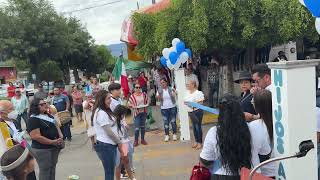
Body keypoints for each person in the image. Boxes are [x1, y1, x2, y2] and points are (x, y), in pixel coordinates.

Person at [200, 95, 252, 179]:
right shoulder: (252, 128)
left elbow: (205, 161)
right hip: (248, 175)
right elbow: (264, 154)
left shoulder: (214, 132)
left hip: (220, 176)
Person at [27, 98, 63, 180]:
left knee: (52, 168)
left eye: (45, 103)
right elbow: (35, 136)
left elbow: (55, 124)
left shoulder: (48, 115)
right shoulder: (33, 119)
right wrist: (52, 142)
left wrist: (60, 135)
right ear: (36, 107)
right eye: (42, 104)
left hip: (54, 146)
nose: (45, 105)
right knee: (45, 170)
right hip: (42, 149)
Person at [91, 90, 119, 180]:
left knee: (109, 171)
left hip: (107, 144)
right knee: (109, 172)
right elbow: (109, 132)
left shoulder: (102, 110)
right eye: (108, 98)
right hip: (106, 145)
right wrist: (119, 142)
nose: (110, 100)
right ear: (102, 100)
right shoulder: (101, 113)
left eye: (110, 97)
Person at [250, 89, 276, 178]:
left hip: (265, 174)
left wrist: (257, 175)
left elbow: (253, 156)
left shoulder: (254, 126)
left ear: (257, 106)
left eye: (253, 101)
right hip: (284, 171)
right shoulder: (281, 123)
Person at [113, 105, 136, 180]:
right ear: (120, 114)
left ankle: (131, 177)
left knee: (126, 162)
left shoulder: (122, 121)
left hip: (125, 144)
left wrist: (126, 127)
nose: (124, 116)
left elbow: (128, 129)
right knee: (119, 165)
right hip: (119, 145)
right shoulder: (114, 123)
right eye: (123, 114)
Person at [184, 79, 204, 150]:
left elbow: (201, 103)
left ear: (193, 85)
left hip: (197, 112)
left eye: (188, 84)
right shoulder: (187, 92)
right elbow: (185, 101)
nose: (187, 86)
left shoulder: (198, 93)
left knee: (197, 127)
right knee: (194, 127)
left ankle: (200, 142)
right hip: (190, 112)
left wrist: (192, 105)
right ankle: (196, 141)